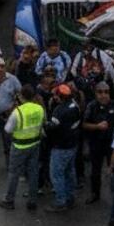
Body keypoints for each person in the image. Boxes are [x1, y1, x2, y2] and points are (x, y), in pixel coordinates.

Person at [45, 83, 81, 212]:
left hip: (60, 146)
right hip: (73, 144)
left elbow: (51, 127)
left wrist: (44, 124)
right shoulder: (75, 105)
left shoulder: (59, 111)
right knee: (69, 172)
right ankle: (70, 197)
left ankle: (61, 201)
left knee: (56, 174)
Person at [83, 82, 114, 204]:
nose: (103, 95)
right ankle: (95, 193)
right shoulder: (91, 106)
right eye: (100, 92)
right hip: (96, 143)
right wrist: (97, 126)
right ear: (95, 93)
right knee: (95, 170)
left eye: (106, 92)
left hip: (111, 144)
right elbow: (84, 124)